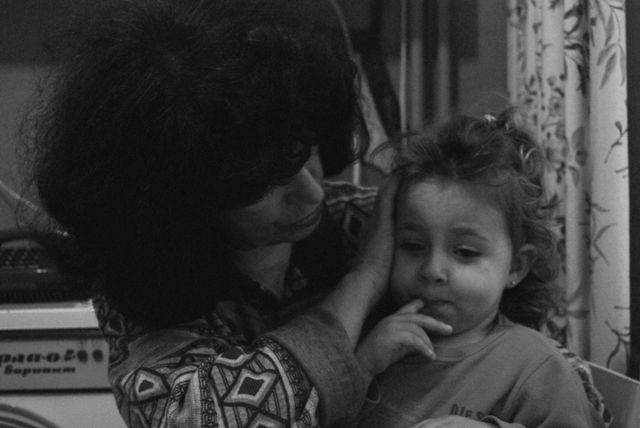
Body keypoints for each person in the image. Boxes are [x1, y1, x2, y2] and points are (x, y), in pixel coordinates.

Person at [23, 1, 452, 427]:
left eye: (304, 150)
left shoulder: (368, 225)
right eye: (263, 185)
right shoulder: (142, 285)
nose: (312, 193)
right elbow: (196, 420)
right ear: (182, 199)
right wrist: (363, 283)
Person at [352, 109, 607, 428]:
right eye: (413, 246)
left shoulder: (535, 366)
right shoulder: (374, 343)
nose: (432, 270)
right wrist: (362, 368)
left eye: (465, 252)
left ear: (516, 267)